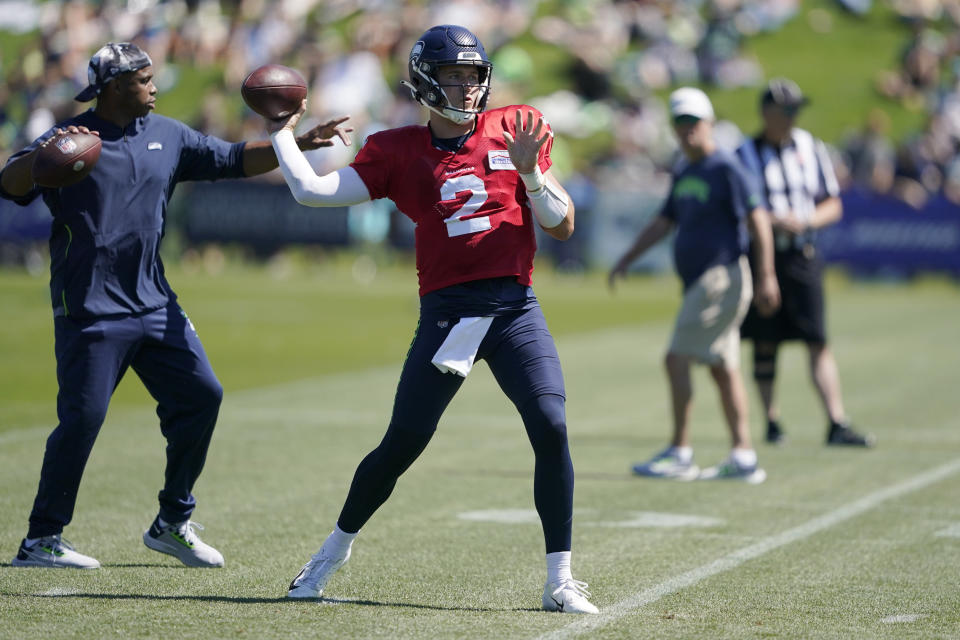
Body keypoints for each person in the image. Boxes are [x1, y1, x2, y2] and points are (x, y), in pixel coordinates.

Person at [262, 25, 598, 614]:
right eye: (453, 76)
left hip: (515, 308)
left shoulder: (516, 126)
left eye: (473, 75)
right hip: (449, 315)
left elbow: (563, 224)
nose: (467, 87)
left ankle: (560, 580)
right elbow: (313, 192)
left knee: (551, 424)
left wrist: (532, 176)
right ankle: (330, 555)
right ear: (425, 81)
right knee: (402, 445)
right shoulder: (397, 149)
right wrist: (280, 134)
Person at [1, 42, 344, 569]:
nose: (154, 86)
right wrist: (40, 162)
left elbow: (231, 160)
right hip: (90, 308)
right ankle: (41, 538)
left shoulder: (170, 134)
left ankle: (172, 521)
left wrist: (295, 143)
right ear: (115, 88)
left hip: (154, 304)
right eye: (144, 79)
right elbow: (10, 183)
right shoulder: (70, 139)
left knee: (203, 396)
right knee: (83, 419)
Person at [608, 87, 780, 484]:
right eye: (680, 124)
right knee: (722, 368)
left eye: (693, 123)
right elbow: (665, 220)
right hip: (703, 282)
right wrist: (629, 256)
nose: (687, 131)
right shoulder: (685, 170)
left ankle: (680, 452)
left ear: (710, 125)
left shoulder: (726, 168)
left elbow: (759, 220)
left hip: (720, 278)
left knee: (676, 358)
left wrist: (768, 274)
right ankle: (743, 456)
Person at [736, 78, 875, 447]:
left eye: (797, 109)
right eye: (787, 110)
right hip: (763, 254)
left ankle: (836, 420)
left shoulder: (810, 147)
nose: (794, 117)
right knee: (765, 341)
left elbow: (833, 203)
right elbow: (740, 207)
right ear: (767, 113)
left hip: (802, 254)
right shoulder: (745, 153)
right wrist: (769, 220)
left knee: (817, 338)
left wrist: (807, 220)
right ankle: (771, 421)